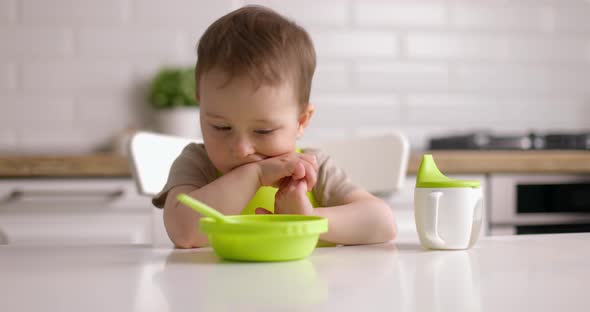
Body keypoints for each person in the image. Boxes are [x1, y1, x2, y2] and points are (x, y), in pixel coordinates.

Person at [152, 5, 397, 248]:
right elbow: (184, 233)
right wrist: (255, 175)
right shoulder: (197, 164)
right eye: (221, 127)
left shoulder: (314, 169)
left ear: (301, 121)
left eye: (263, 131)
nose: (241, 148)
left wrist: (309, 219)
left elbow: (383, 223)